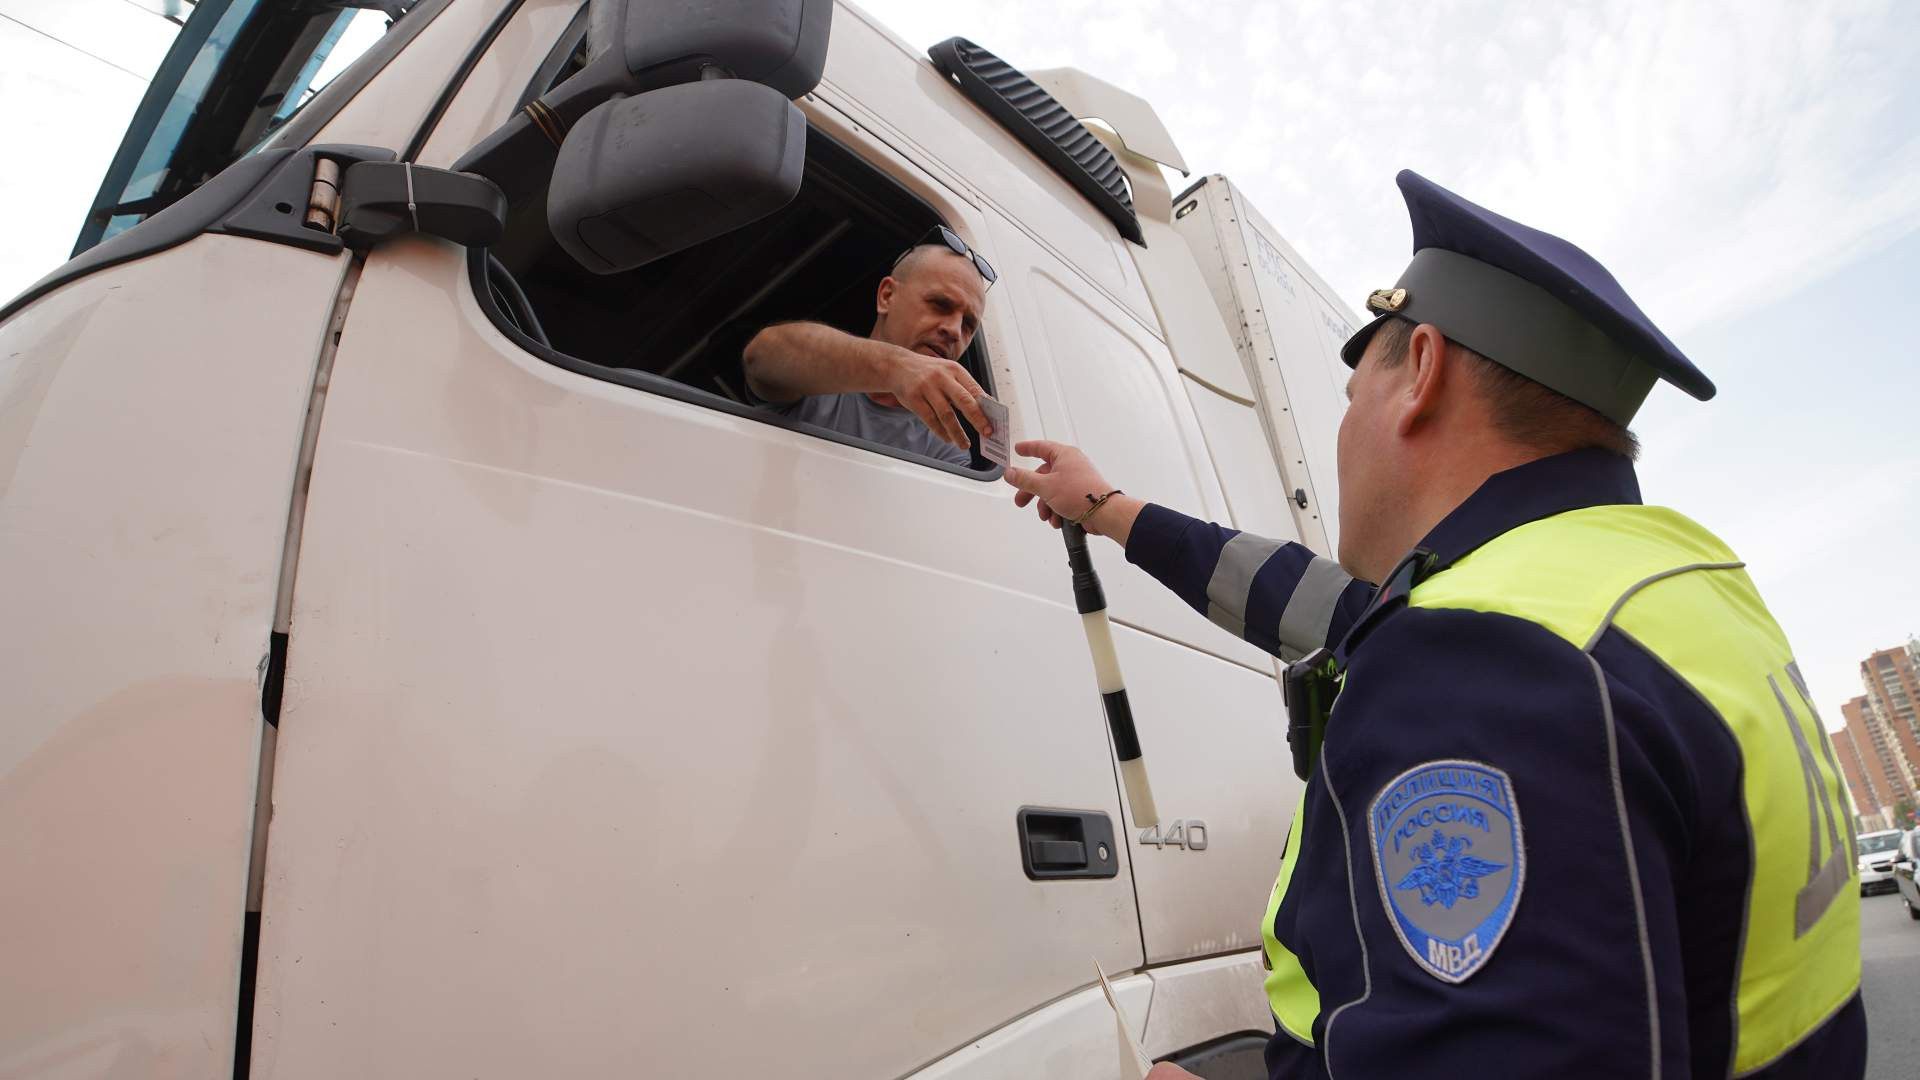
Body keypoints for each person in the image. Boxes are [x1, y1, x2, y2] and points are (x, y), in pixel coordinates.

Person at [1004, 171, 1866, 1079]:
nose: (1343, 437)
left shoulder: (1483, 660)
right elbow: (1306, 599)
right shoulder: (1666, 587)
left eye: (1348, 402)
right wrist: (1103, 505)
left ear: (1422, 371)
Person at [742, 225, 996, 467]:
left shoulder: (945, 443)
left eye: (968, 325)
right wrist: (894, 368)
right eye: (940, 304)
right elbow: (762, 355)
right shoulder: (819, 378)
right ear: (887, 296)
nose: (953, 330)